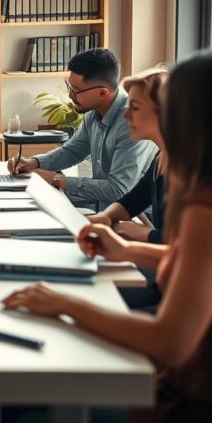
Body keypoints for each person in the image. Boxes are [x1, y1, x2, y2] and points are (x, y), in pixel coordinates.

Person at [3, 52, 212, 423]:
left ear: (191, 116)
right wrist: (128, 250)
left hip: (206, 410)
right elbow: (211, 266)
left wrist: (64, 303)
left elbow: (170, 341)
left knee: (27, 403)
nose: (130, 115)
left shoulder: (211, 208)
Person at [8, 49, 156, 211]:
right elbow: (73, 152)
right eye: (69, 87)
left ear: (102, 92)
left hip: (136, 219)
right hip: (105, 211)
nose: (70, 96)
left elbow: (118, 189)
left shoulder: (133, 123)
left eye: (76, 90)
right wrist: (34, 162)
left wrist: (57, 179)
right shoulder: (93, 112)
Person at [88, 67, 169, 310]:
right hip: (166, 275)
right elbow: (133, 199)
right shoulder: (162, 158)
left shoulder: (192, 170)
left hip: (173, 287)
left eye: (135, 108)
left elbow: (194, 249)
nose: (126, 117)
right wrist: (104, 217)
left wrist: (142, 235)